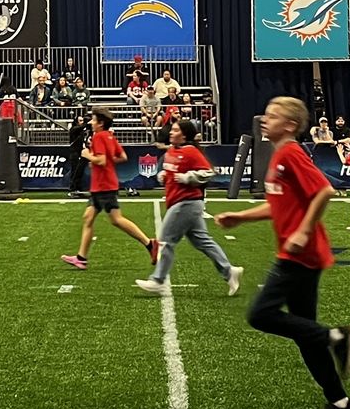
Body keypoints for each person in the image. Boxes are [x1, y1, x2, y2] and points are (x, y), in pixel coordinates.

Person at [213, 96, 350, 409]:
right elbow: (277, 205)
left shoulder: (292, 153)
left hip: (300, 254)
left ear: (290, 125)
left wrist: (303, 231)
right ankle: (341, 406)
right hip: (301, 253)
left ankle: (337, 337)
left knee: (260, 314)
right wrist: (240, 216)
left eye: (272, 116)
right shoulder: (280, 155)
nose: (264, 120)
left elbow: (324, 191)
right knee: (304, 334)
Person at [137, 118, 242, 297]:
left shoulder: (191, 151)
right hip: (180, 201)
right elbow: (172, 171)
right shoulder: (171, 151)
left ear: (184, 135)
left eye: (176, 130)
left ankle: (158, 280)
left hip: (186, 202)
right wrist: (164, 175)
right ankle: (229, 271)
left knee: (165, 240)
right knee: (202, 240)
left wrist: (188, 177)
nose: (171, 132)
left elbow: (207, 172)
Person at [61, 106, 157, 270]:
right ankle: (81, 258)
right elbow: (122, 157)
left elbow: (102, 161)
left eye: (93, 120)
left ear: (101, 123)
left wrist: (88, 156)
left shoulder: (99, 137)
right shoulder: (109, 136)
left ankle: (150, 244)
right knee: (88, 218)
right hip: (102, 184)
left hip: (103, 185)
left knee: (116, 220)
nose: (91, 122)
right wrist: (98, 161)